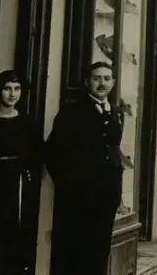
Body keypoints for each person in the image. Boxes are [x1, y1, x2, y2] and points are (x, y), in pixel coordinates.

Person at [45, 62, 124, 275]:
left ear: (113, 82)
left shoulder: (115, 113)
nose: (102, 84)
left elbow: (114, 153)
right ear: (87, 82)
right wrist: (71, 185)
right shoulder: (71, 114)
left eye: (107, 79)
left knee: (99, 251)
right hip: (78, 199)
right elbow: (52, 153)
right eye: (97, 78)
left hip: (105, 198)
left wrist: (116, 194)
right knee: (75, 253)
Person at [0, 70, 42, 275]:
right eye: (7, 89)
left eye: (17, 89)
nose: (12, 94)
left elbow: (36, 154)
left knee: (16, 234)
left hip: (18, 184)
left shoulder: (28, 122)